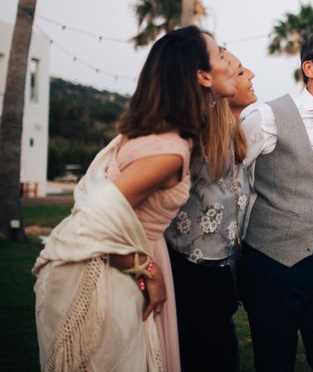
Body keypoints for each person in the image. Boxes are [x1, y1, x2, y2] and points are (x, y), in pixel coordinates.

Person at [33, 25, 234, 371]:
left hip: (132, 256)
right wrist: (149, 270)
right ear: (202, 76)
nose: (229, 65)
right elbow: (92, 218)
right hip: (119, 273)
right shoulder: (168, 152)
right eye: (220, 56)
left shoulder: (155, 136)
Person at [239, 28, 313, 372]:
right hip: (272, 266)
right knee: (273, 363)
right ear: (309, 67)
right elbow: (234, 183)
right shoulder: (266, 116)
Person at [165, 49, 255, 372]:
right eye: (241, 72)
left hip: (223, 282)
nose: (253, 75)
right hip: (188, 281)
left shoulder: (237, 138)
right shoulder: (190, 139)